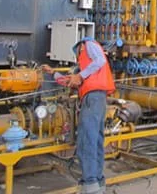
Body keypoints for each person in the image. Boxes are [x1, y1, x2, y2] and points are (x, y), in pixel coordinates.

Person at [42, 37, 115, 194]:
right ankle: (98, 183)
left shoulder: (88, 44)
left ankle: (90, 184)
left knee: (86, 140)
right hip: (97, 98)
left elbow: (100, 60)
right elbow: (71, 80)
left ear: (79, 48)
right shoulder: (86, 69)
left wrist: (81, 76)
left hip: (92, 98)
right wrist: (53, 73)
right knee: (95, 140)